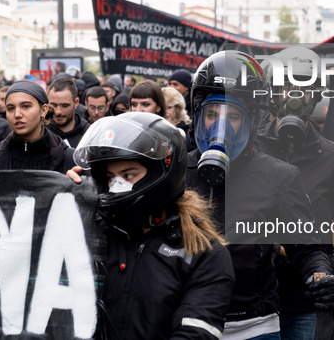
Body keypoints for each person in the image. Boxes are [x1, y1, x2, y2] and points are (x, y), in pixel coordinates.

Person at [188, 50, 334, 339]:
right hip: (189, 324)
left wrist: (320, 273)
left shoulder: (280, 176)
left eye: (232, 116)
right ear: (198, 115)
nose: (220, 126)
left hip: (254, 327)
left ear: (251, 119)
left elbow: (306, 249)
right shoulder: (174, 174)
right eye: (212, 114)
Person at [70, 112, 235, 339]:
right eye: (111, 177)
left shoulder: (205, 255)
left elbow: (194, 335)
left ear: (162, 173)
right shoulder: (97, 234)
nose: (117, 185)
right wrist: (68, 208)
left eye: (128, 175)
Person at [256, 47, 334, 340]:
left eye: (304, 88)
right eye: (286, 87)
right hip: (254, 300)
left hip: (307, 303)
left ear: (317, 94)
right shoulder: (249, 150)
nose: (295, 96)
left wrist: (331, 265)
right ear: (272, 92)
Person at [0, 80, 71, 172]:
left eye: (25, 106)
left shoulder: (68, 159)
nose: (17, 114)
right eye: (11, 108)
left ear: (43, 110)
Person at [47, 77, 90, 148]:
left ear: (76, 103)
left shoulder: (89, 134)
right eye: (53, 105)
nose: (58, 111)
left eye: (64, 106)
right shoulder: (40, 134)